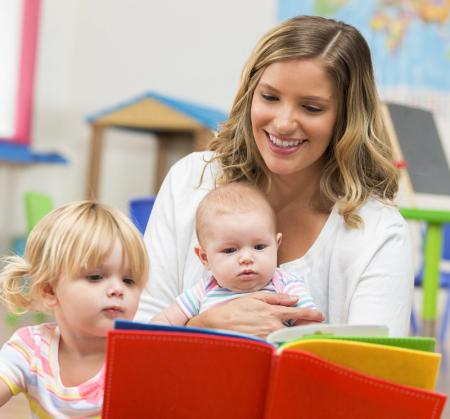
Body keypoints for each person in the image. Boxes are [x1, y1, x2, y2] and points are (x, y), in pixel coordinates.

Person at [135, 15, 413, 337]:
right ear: (250, 95)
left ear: (346, 119)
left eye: (311, 108)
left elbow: (374, 371)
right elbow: (137, 333)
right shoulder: (192, 179)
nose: (283, 123)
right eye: (269, 97)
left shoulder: (377, 233)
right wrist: (207, 325)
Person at [0, 201, 148, 417]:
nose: (118, 289)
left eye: (129, 280)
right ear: (49, 291)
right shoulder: (31, 347)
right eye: (96, 277)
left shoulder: (138, 358)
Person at [152, 183, 318, 326]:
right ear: (204, 257)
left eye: (259, 247)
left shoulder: (286, 285)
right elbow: (164, 324)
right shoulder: (202, 291)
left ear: (277, 245)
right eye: (230, 250)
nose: (246, 258)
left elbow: (310, 324)